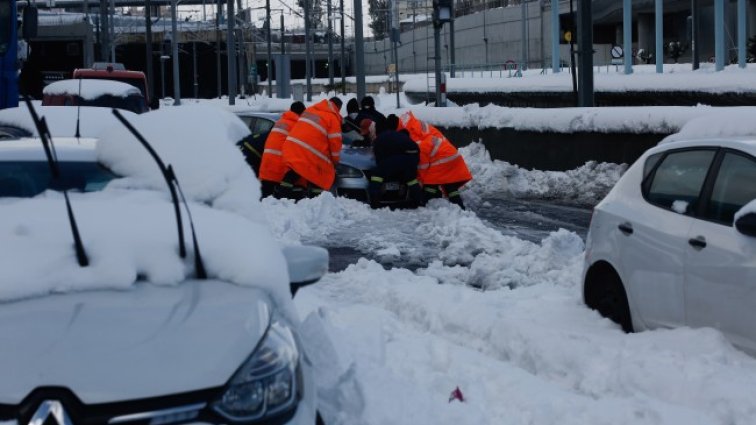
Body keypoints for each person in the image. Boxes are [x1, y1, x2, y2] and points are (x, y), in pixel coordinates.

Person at [397, 111, 472, 209]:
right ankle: (460, 208)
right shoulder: (416, 126)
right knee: (449, 185)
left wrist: (419, 181)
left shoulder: (418, 143)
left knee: (430, 183)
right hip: (451, 156)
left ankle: (427, 202)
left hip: (442, 160)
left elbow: (422, 166)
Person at [278, 97, 343, 199]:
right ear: (338, 108)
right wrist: (335, 161)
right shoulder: (332, 118)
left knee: (296, 171)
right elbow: (335, 143)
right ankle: (315, 198)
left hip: (292, 145)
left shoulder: (311, 109)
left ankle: (280, 196)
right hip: (307, 150)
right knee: (317, 174)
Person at [363, 115, 423, 208]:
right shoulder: (396, 135)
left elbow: (380, 159)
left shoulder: (380, 139)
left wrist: (387, 172)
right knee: (411, 178)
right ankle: (418, 200)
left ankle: (374, 200)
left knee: (376, 174)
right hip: (414, 156)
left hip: (403, 157)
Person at [258, 101, 306, 198]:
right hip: (280, 169)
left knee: (267, 204)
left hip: (267, 167)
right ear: (302, 113)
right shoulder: (297, 125)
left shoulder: (280, 122)